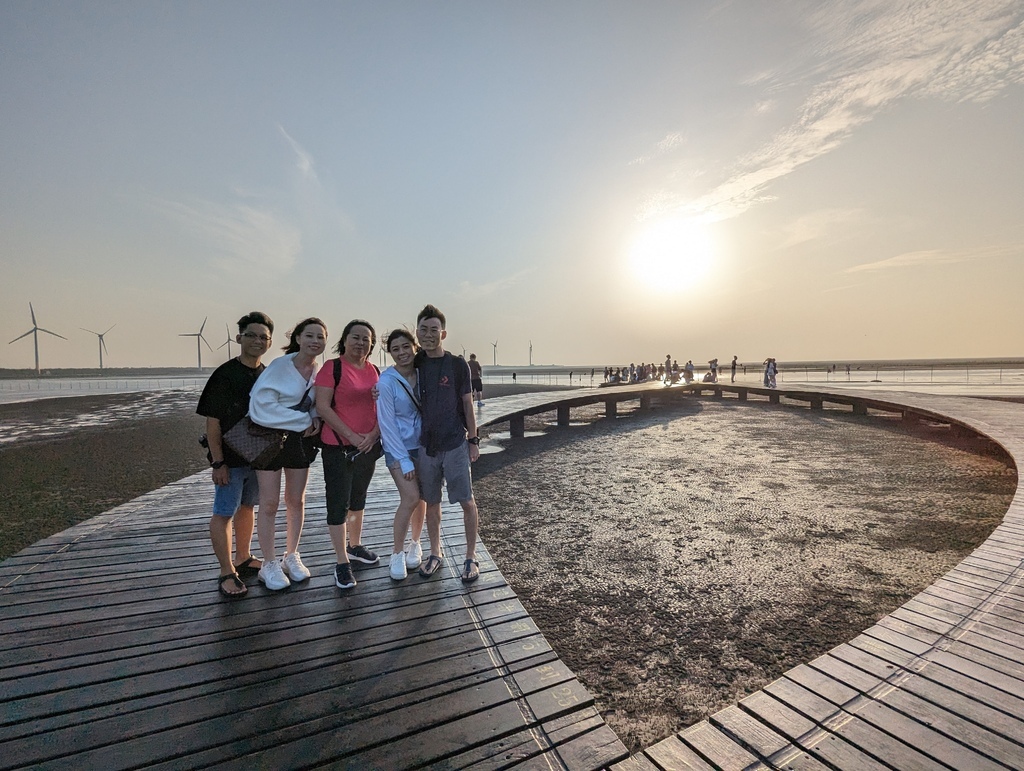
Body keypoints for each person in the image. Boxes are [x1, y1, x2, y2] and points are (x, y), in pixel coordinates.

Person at [196, 311, 274, 598]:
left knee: (247, 507)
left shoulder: (266, 373)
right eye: (251, 335)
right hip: (230, 459)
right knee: (223, 512)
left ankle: (243, 556)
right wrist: (218, 462)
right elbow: (212, 422)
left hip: (257, 457)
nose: (257, 341)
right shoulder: (225, 375)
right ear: (239, 337)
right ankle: (226, 570)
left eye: (263, 337)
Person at [248, 317, 325, 591]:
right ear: (298, 338)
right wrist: (303, 421)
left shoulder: (319, 371)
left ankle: (291, 554)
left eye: (320, 337)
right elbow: (261, 404)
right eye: (310, 335)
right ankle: (268, 563)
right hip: (268, 439)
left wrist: (314, 416)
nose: (315, 341)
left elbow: (316, 403)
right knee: (269, 502)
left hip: (299, 443)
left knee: (296, 500)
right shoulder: (281, 366)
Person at [414, 304, 482, 583]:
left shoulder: (457, 364)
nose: (428, 335)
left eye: (434, 330)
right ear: (416, 331)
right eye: (423, 329)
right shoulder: (414, 363)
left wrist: (473, 440)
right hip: (425, 446)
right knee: (431, 502)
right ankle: (435, 552)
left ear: (443, 334)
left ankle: (470, 557)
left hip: (455, 443)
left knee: (466, 501)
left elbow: (467, 404)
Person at [314, 319, 382, 590]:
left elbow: (382, 407)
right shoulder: (333, 368)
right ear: (344, 340)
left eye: (366, 339)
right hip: (338, 446)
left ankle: (355, 546)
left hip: (368, 446)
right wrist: (353, 436)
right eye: (355, 337)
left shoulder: (375, 370)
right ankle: (342, 561)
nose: (361, 343)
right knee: (338, 502)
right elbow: (323, 407)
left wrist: (373, 434)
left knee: (358, 498)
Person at [377, 329, 428, 580]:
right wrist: (404, 458)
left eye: (406, 346)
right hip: (399, 448)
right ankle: (396, 553)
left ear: (414, 347)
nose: (401, 352)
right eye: (395, 349)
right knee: (410, 497)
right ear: (390, 353)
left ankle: (415, 542)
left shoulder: (423, 374)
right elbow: (386, 424)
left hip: (425, 445)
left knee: (422, 497)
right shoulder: (386, 383)